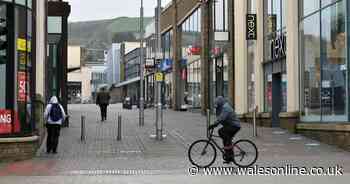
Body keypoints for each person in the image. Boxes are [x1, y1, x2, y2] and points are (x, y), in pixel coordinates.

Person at [209, 96, 241, 163]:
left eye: (217, 104)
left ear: (220, 103)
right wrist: (215, 124)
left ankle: (230, 153)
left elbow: (222, 118)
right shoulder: (221, 107)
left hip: (235, 125)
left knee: (221, 131)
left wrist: (214, 124)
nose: (216, 106)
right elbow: (220, 117)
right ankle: (229, 157)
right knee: (225, 139)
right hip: (230, 125)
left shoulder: (226, 108)